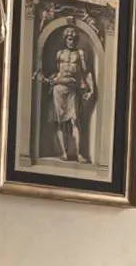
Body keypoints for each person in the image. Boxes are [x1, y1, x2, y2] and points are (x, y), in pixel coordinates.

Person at [42, 26, 99, 164]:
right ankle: (64, 153)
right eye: (69, 38)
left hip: (72, 91)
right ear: (65, 39)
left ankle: (79, 154)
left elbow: (87, 72)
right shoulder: (59, 53)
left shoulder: (80, 54)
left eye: (73, 38)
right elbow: (56, 72)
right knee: (60, 123)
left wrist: (91, 88)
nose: (71, 40)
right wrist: (50, 79)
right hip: (58, 90)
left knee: (75, 121)